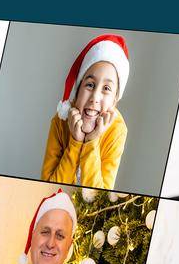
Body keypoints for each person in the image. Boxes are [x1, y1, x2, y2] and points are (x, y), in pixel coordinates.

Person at [42, 34, 130, 189]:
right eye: (90, 85)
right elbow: (48, 187)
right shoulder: (59, 121)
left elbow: (98, 198)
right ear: (77, 90)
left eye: (106, 89)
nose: (95, 97)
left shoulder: (117, 131)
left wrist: (92, 141)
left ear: (115, 101)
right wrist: (75, 143)